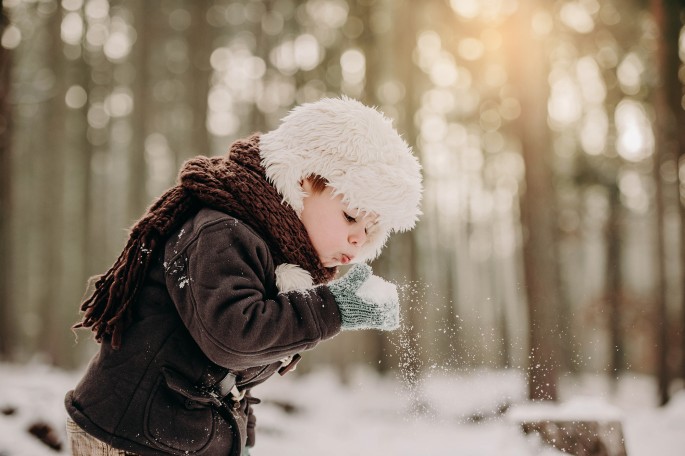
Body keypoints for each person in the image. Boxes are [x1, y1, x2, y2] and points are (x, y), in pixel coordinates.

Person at [64, 96, 423, 456]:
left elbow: (232, 377)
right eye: (350, 217)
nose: (358, 239)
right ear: (301, 182)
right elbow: (233, 339)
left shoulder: (271, 251)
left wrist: (240, 439)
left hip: (169, 437)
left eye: (370, 229)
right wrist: (333, 308)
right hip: (129, 437)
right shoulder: (222, 231)